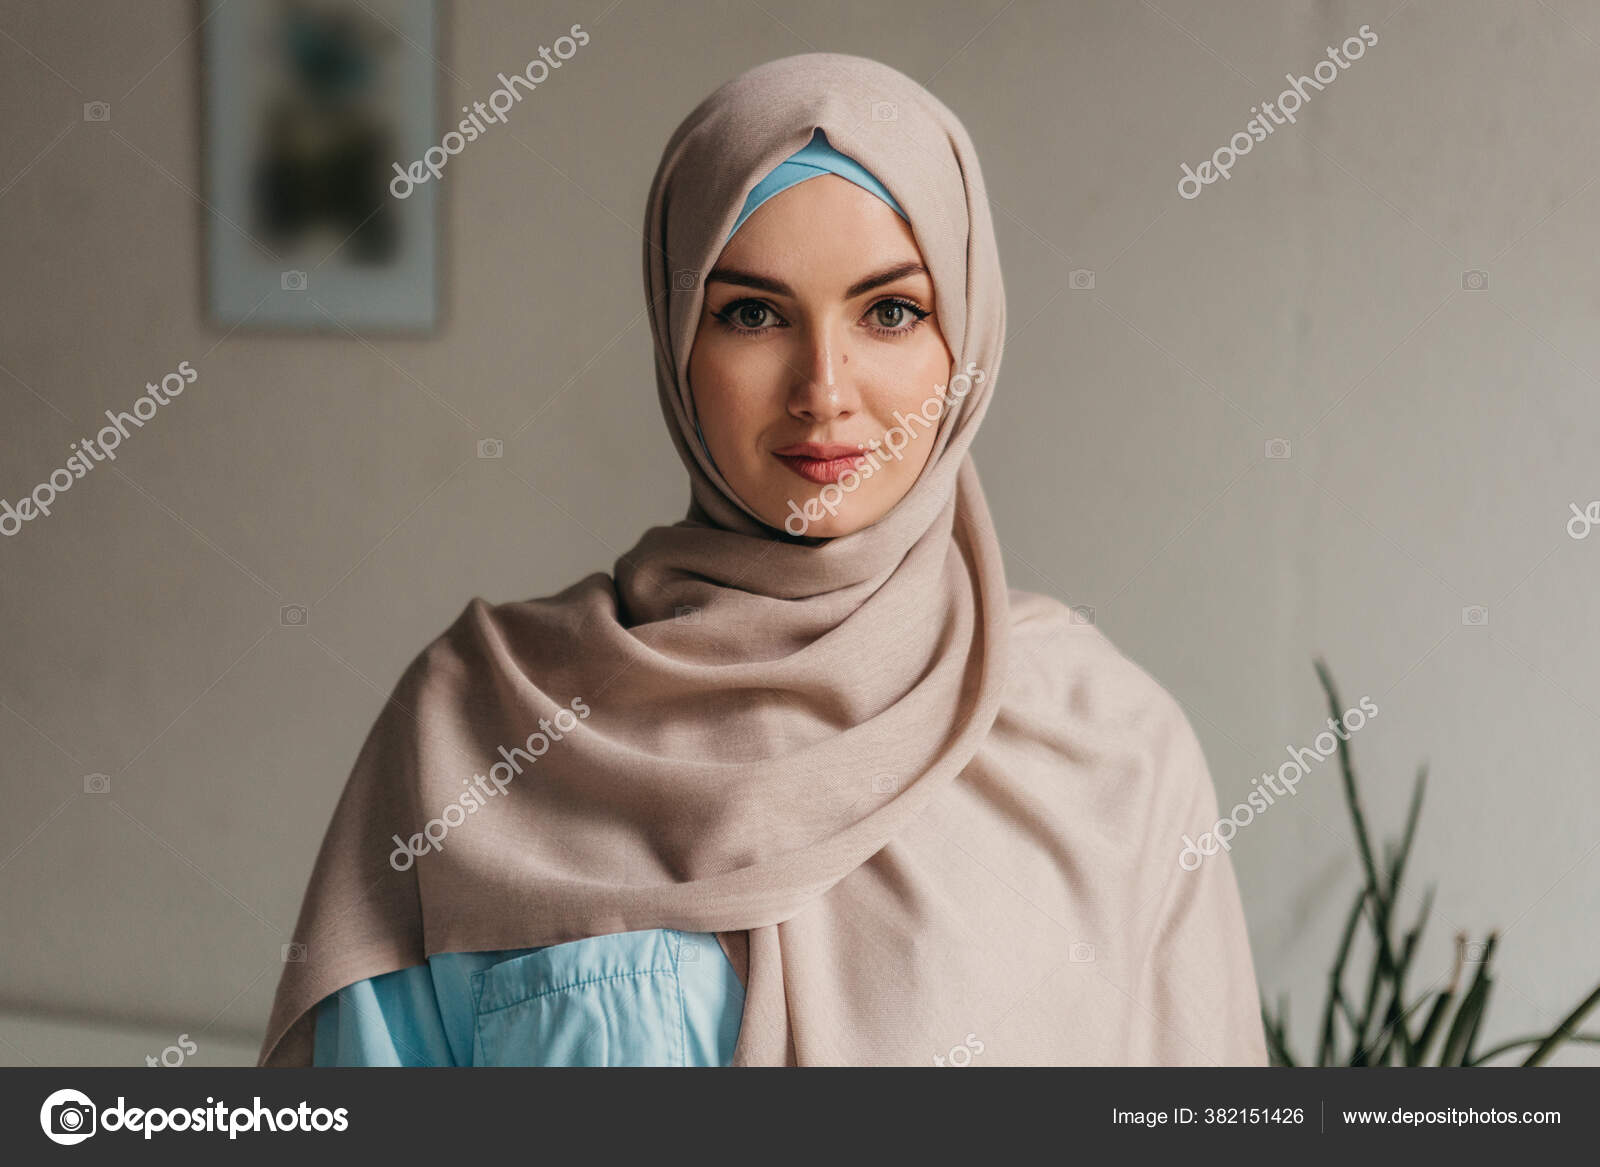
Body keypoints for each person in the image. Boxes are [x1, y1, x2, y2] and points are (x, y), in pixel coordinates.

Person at [259, 51, 1267, 1067]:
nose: (822, 389)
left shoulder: (1109, 746)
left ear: (965, 338)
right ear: (677, 336)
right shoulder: (474, 723)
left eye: (889, 312)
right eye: (751, 313)